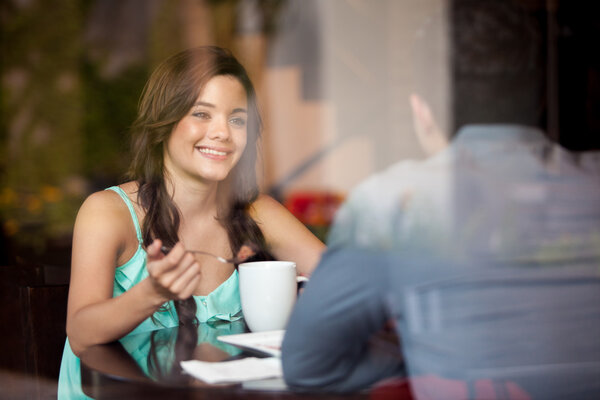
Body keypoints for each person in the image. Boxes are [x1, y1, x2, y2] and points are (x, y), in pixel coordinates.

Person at [281, 1, 600, 398]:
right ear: (537, 101)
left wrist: (413, 357)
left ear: (422, 111)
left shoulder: (395, 206)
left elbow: (308, 366)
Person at [58, 46, 325, 399]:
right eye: (201, 113)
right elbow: (80, 334)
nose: (222, 133)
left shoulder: (258, 213)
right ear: (164, 122)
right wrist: (152, 294)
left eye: (237, 119)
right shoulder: (107, 212)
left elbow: (344, 282)